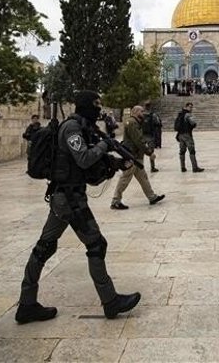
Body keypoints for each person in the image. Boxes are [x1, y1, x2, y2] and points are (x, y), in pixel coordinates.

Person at [16, 90, 141, 324]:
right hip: (69, 199)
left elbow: (85, 163)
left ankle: (26, 303)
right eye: (95, 104)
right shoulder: (72, 128)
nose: (99, 107)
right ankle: (110, 300)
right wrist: (106, 146)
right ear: (84, 105)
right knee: (96, 244)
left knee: (44, 247)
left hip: (64, 197)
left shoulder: (83, 126)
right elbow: (83, 158)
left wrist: (115, 162)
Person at [110, 105, 166, 210]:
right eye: (141, 111)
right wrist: (149, 152)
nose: (143, 113)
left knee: (143, 177)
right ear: (135, 111)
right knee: (125, 178)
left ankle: (151, 197)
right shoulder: (132, 123)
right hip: (132, 156)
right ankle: (115, 201)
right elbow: (138, 140)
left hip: (136, 155)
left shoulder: (134, 122)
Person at [175, 102, 204, 172]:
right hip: (187, 135)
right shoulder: (188, 115)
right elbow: (193, 123)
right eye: (190, 107)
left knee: (182, 151)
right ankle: (195, 167)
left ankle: (182, 167)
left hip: (180, 135)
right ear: (187, 106)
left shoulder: (180, 114)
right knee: (192, 150)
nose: (191, 109)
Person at [141, 101, 160, 172]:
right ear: (150, 106)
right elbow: (157, 123)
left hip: (141, 135)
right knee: (151, 151)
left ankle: (139, 167)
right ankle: (152, 167)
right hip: (150, 135)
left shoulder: (141, 115)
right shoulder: (153, 115)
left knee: (140, 151)